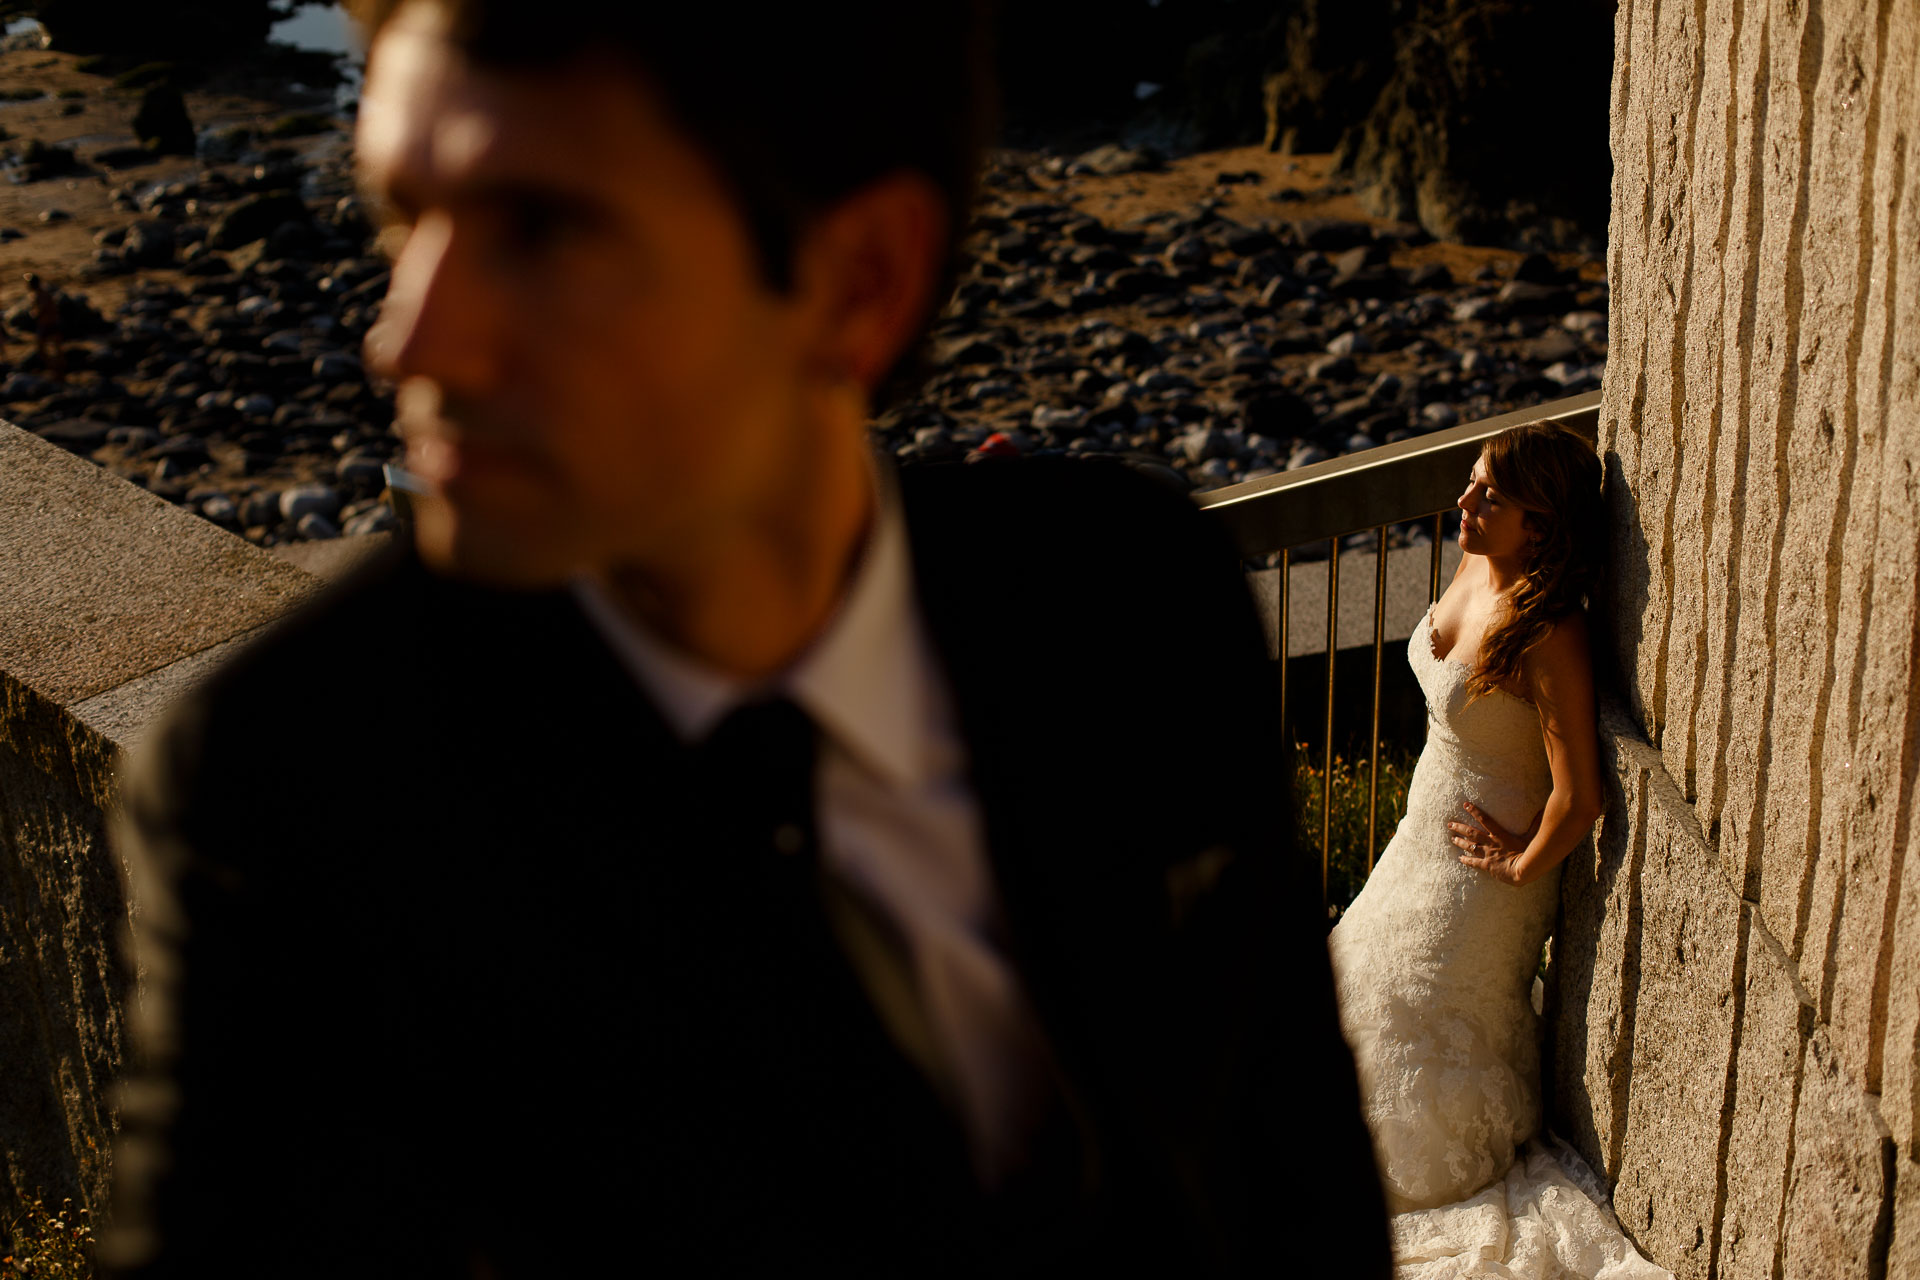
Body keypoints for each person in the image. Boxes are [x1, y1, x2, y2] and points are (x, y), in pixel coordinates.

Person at [100, 2, 1391, 1275]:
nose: (407, 338)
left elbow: (1298, 1185)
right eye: (400, 215)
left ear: (860, 282)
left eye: (542, 232)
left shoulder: (1125, 593)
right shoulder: (297, 798)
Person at [1328, 421, 1671, 1277]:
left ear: (1541, 525)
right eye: (1473, 482)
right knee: (1356, 984)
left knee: (1413, 1015)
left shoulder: (1550, 633)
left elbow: (1580, 794)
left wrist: (1520, 864)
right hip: (1421, 840)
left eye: (1489, 495)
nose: (1465, 501)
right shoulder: (1477, 561)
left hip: (1487, 877)